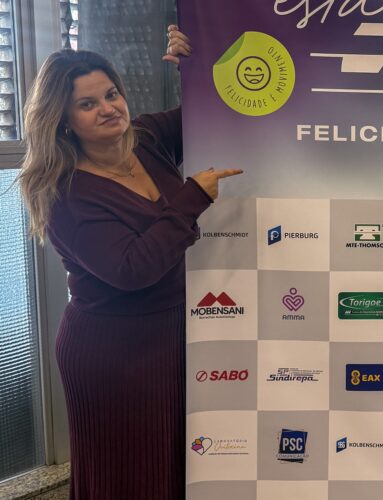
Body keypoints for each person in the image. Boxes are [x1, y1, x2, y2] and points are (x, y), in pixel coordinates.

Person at [17, 26, 238, 500]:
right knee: (127, 474)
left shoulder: (146, 138)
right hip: (112, 354)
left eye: (111, 94)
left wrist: (199, 65)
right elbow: (131, 269)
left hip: (170, 338)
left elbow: (216, 110)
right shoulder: (65, 193)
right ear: (63, 121)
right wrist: (191, 197)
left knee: (170, 467)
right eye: (87, 104)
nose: (108, 108)